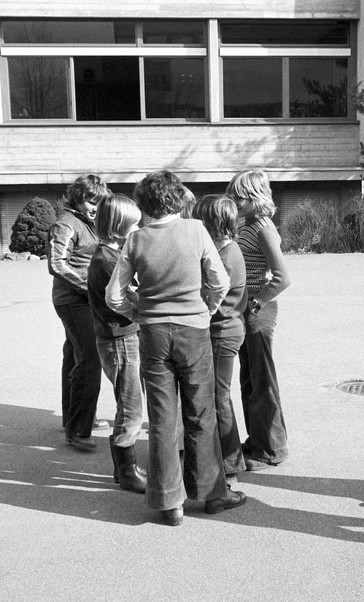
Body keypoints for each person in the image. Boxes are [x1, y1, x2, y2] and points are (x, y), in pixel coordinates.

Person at [105, 170, 246, 526]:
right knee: (202, 413)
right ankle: (213, 494)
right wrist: (207, 308)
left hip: (153, 334)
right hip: (194, 332)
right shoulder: (196, 229)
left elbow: (113, 295)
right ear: (178, 199)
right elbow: (220, 281)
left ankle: (171, 503)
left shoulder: (135, 239)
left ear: (145, 203)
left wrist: (136, 310)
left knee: (163, 419)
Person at [226, 170, 291, 471]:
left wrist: (255, 303)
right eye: (231, 194)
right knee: (249, 380)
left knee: (263, 384)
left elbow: (282, 278)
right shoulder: (247, 223)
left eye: (239, 196)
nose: (233, 200)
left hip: (257, 313)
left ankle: (271, 451)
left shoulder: (263, 228)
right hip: (245, 311)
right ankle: (257, 441)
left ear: (255, 198)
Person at [48, 174, 114, 450]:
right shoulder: (66, 223)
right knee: (89, 360)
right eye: (90, 201)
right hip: (74, 301)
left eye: (99, 202)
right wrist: (91, 289)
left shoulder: (90, 223)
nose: (95, 207)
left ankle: (71, 419)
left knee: (74, 356)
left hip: (84, 299)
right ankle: (78, 429)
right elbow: (57, 264)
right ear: (77, 197)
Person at [86, 193, 147, 493]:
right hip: (119, 341)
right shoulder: (106, 262)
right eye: (133, 225)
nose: (137, 230)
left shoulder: (110, 256)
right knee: (131, 408)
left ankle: (123, 468)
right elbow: (126, 299)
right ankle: (127, 472)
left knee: (128, 404)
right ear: (120, 226)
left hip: (118, 339)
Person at [192, 194, 248, 484]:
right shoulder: (226, 248)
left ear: (211, 223)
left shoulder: (225, 256)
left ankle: (230, 465)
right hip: (227, 329)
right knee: (219, 396)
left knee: (219, 397)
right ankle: (227, 460)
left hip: (222, 333)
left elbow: (209, 297)